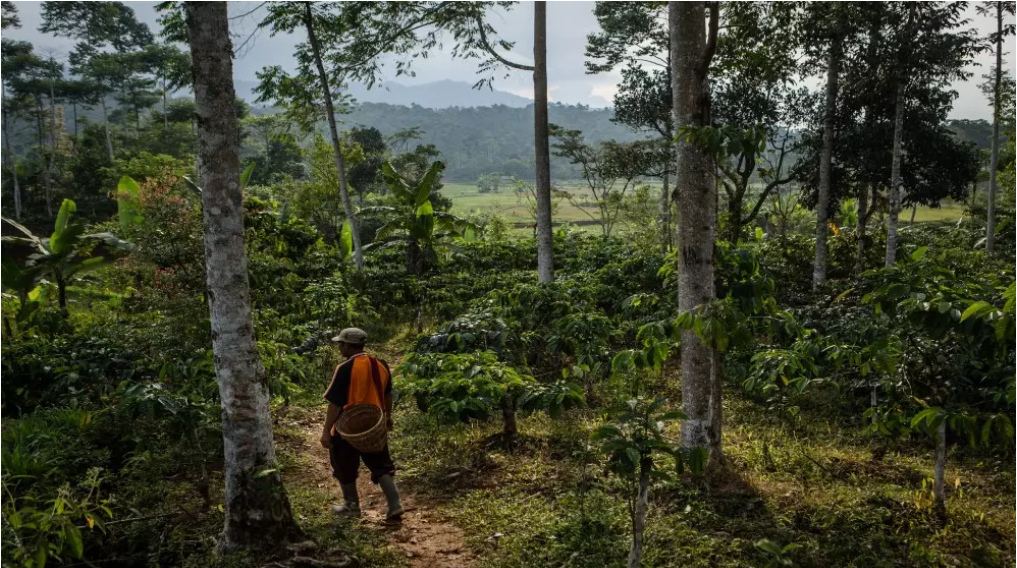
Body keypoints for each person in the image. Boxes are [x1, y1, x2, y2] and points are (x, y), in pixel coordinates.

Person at [320, 327, 404, 520]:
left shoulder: (345, 368)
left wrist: (326, 432)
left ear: (349, 345)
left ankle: (352, 506)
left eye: (341, 343)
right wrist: (388, 417)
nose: (339, 347)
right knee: (381, 464)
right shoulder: (380, 364)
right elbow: (388, 394)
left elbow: (335, 404)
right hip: (373, 425)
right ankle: (395, 505)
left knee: (343, 465)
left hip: (346, 427)